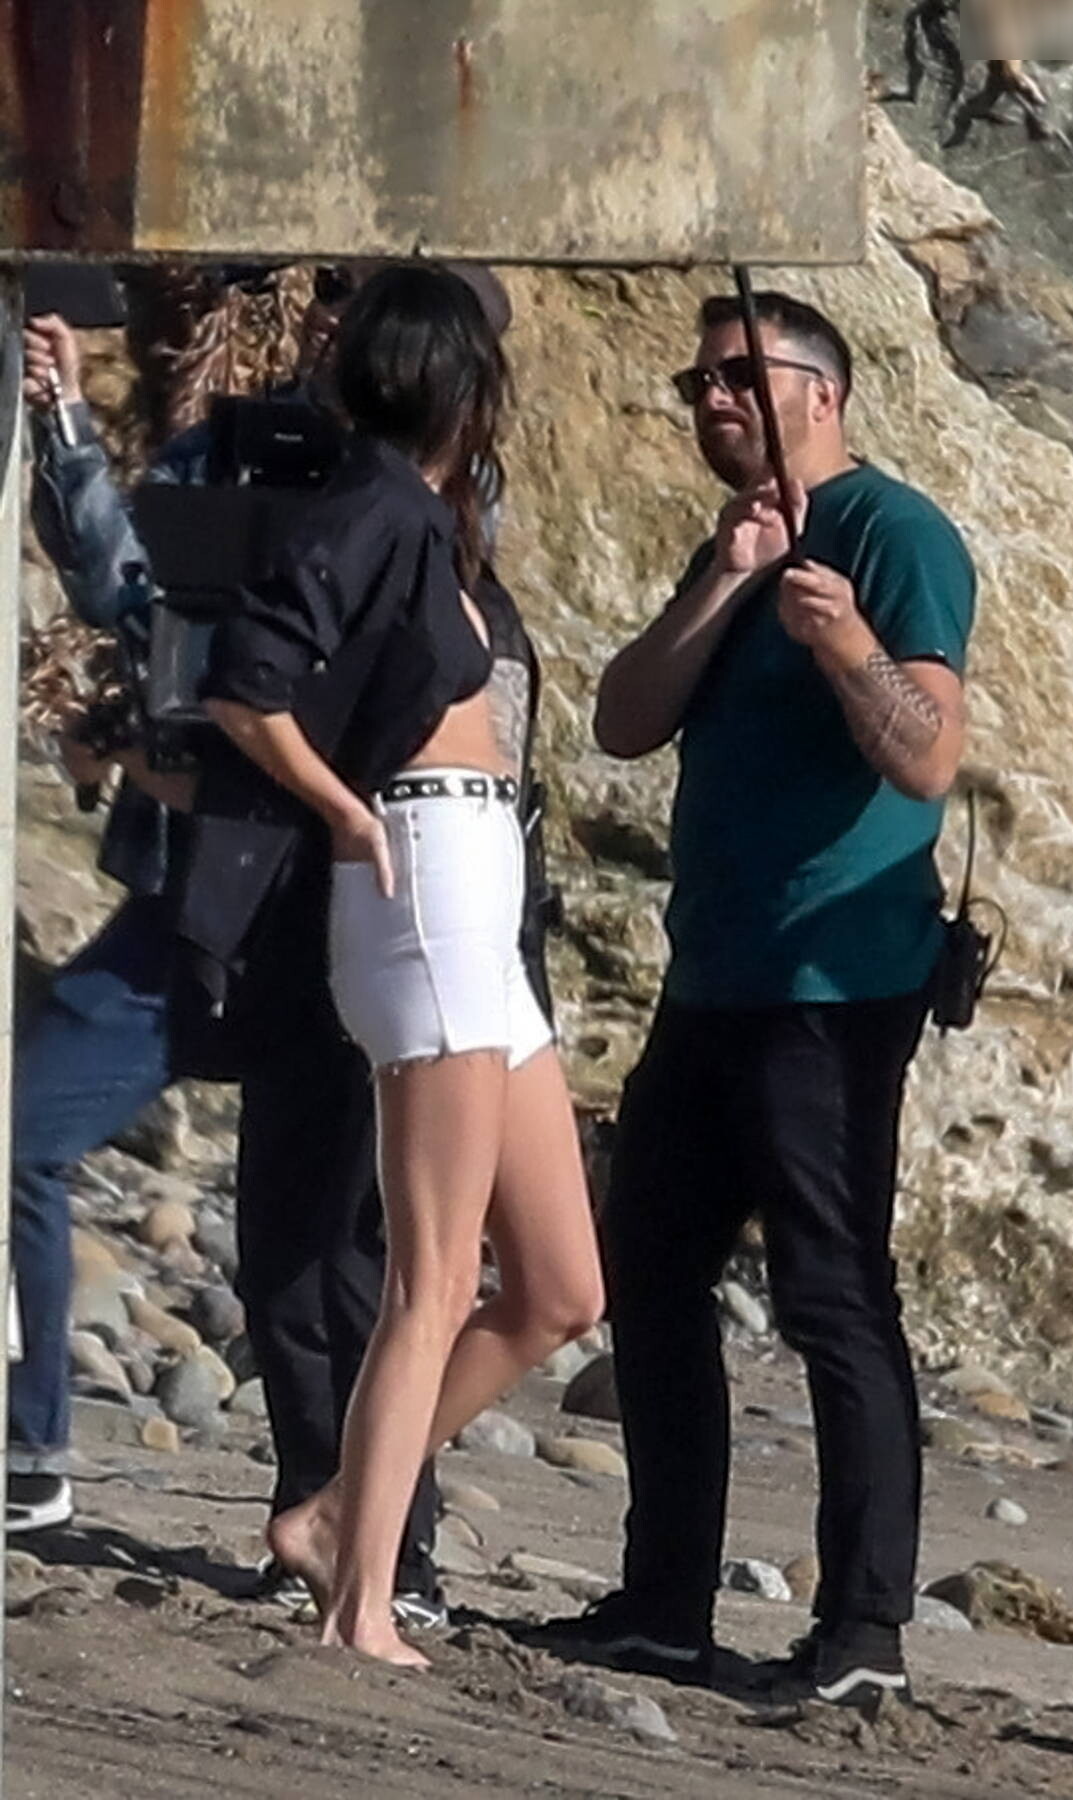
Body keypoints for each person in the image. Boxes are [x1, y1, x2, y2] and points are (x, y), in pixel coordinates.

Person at [10, 267, 527, 1631]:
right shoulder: (256, 462)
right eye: (335, 313)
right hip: (238, 894)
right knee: (296, 1239)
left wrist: (341, 809)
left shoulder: (440, 511)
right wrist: (64, 424)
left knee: (368, 1253)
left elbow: (444, 714)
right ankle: (313, 1524)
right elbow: (138, 593)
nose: (338, 339)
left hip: (372, 893)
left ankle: (372, 1536)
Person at [529, 291, 975, 1706]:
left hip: (835, 985)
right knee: (651, 1271)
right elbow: (622, 721)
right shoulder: (739, 543)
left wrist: (844, 644)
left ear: (820, 393)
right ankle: (665, 1605)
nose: (712, 400)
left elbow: (928, 757)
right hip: (715, 974)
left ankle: (864, 1633)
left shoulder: (896, 535)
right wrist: (727, 580)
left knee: (832, 1293)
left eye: (737, 375)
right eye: (697, 383)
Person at [201, 263, 604, 1667]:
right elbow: (243, 683)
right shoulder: (373, 504)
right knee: (431, 1278)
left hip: (477, 889)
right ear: (464, 387)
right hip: (420, 876)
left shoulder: (429, 518)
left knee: (560, 1288)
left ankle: (332, 1516)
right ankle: (359, 1602)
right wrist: (347, 810)